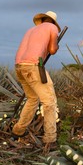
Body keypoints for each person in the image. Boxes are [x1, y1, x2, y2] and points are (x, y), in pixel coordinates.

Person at [11, 11, 60, 145]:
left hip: (19, 66)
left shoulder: (31, 30)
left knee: (32, 99)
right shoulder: (52, 28)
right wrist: (57, 45)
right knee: (49, 102)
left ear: (42, 19)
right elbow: (52, 50)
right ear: (53, 22)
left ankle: (18, 131)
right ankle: (50, 138)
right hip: (33, 66)